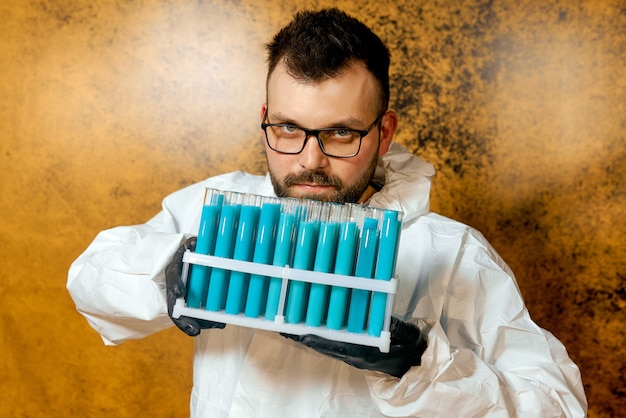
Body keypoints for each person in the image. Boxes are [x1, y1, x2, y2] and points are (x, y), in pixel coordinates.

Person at [67, 8, 587, 417]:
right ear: (266, 120)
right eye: (289, 129)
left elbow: (558, 406)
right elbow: (90, 279)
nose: (310, 162)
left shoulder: (453, 256)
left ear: (384, 132)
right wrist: (168, 274)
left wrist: (417, 365)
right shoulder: (216, 211)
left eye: (341, 132)